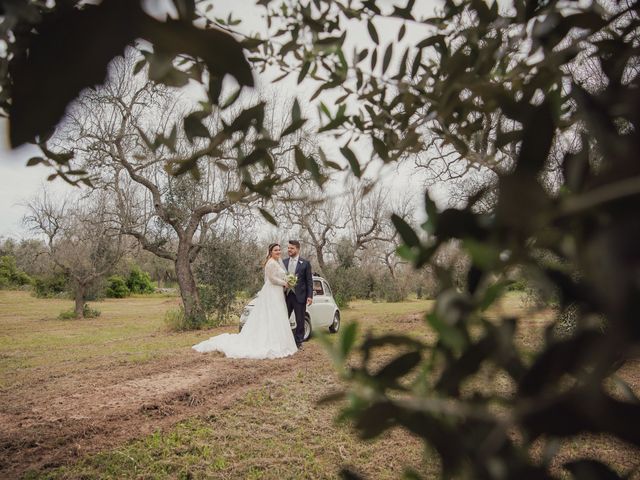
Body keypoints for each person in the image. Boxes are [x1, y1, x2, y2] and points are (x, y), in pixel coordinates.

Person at [192, 243, 297, 359]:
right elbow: (271, 279)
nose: (278, 252)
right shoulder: (271, 263)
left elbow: (279, 276)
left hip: (277, 292)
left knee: (276, 315)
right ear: (271, 252)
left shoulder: (276, 262)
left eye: (279, 250)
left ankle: (279, 341)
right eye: (276, 250)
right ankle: (268, 341)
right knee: (270, 314)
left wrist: (288, 280)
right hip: (272, 291)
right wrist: (285, 283)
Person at [283, 240, 313, 348]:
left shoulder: (305, 263)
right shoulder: (284, 262)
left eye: (291, 248)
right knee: (283, 318)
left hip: (300, 296)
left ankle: (299, 342)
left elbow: (309, 281)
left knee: (300, 319)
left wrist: (309, 296)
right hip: (285, 296)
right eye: (288, 248)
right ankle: (284, 340)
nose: (289, 250)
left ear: (297, 249)